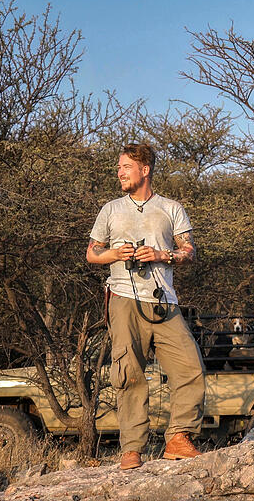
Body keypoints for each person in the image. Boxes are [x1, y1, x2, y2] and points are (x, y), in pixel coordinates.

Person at [86, 143, 205, 469]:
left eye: (126, 166)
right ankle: (132, 449)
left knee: (190, 368)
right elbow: (92, 253)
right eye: (119, 167)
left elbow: (189, 252)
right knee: (129, 374)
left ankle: (179, 438)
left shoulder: (171, 208)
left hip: (164, 301)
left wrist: (160, 255)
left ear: (145, 169)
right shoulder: (111, 209)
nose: (120, 172)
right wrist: (116, 254)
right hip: (123, 299)